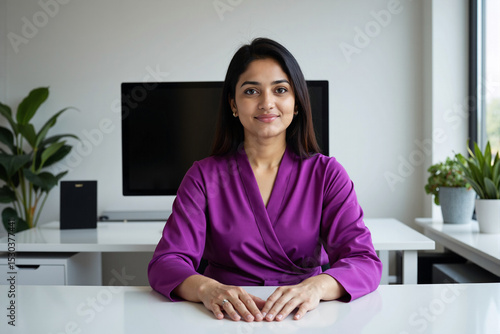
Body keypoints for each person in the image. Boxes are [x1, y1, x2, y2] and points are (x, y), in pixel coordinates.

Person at [148, 37, 382, 322]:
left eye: (280, 90)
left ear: (296, 104)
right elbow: (165, 263)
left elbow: (363, 261)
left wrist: (316, 287)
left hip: (304, 316)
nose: (267, 103)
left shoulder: (327, 174)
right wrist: (207, 288)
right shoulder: (203, 176)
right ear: (233, 105)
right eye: (251, 91)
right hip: (223, 318)